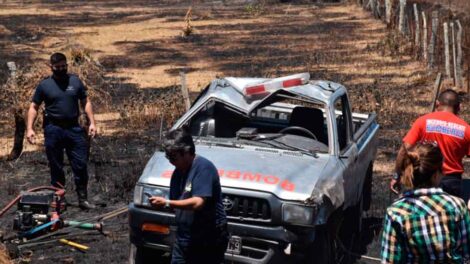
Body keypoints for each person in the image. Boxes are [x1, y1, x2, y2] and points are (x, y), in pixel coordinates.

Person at [26, 52, 97, 210]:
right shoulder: (45, 85)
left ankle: (83, 199)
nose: (61, 69)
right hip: (53, 129)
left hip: (74, 128)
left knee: (80, 164)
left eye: (64, 66)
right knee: (56, 165)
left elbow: (85, 102)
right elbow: (34, 107)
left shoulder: (75, 81)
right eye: (58, 67)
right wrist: (30, 128)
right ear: (51, 67)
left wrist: (92, 122)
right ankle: (60, 200)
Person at [149, 128, 228, 264]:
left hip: (207, 238)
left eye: (174, 157)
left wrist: (167, 202)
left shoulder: (203, 168)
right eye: (168, 157)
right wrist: (160, 205)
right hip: (184, 237)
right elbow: (177, 204)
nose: (170, 161)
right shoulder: (177, 173)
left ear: (186, 152)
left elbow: (198, 202)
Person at [381, 142, 470, 263]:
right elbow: (466, 252)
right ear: (435, 175)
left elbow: (389, 260)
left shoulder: (396, 212)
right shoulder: (457, 206)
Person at [391, 89, 470, 197]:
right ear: (459, 107)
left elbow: (404, 150)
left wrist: (397, 175)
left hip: (424, 178)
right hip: (452, 182)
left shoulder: (423, 122)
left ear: (437, 104)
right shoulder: (466, 129)